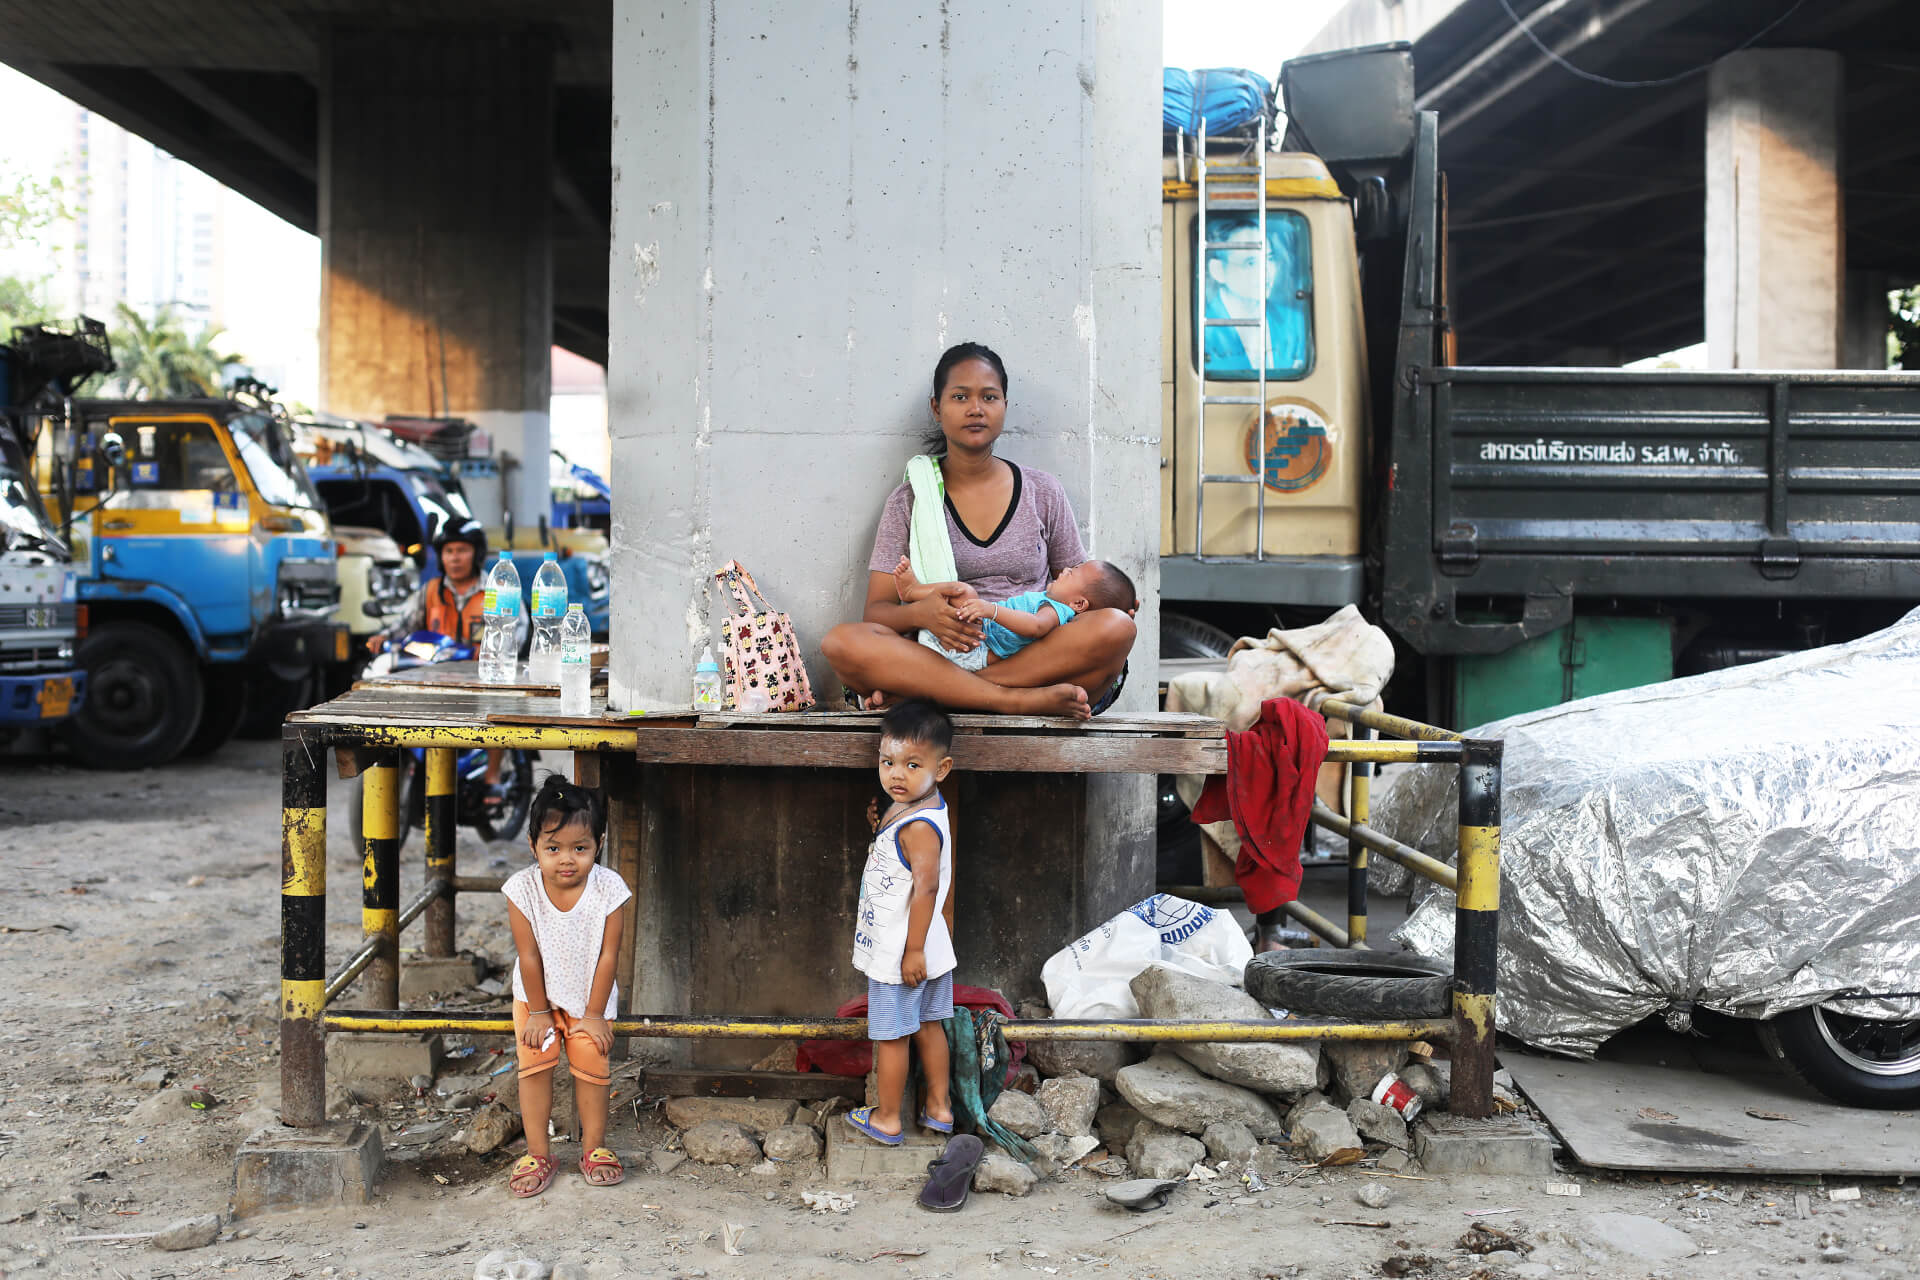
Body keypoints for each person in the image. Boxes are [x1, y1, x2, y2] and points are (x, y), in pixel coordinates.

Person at [821, 342, 1136, 718]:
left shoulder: (1042, 492)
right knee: (842, 642)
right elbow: (877, 612)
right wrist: (923, 615)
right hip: (940, 654)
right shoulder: (911, 499)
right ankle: (1010, 700)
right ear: (936, 408)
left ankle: (944, 695)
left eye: (989, 397)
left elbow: (1079, 594)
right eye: (960, 397)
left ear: (1004, 405)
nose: (975, 409)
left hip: (1029, 655)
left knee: (1116, 628)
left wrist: (1114, 606)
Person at [501, 775, 631, 1197]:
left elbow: (609, 956)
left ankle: (594, 1148)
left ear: (599, 844)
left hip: (589, 999)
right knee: (534, 1064)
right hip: (535, 998)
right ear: (533, 845)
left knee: (593, 1063)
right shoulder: (522, 889)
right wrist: (539, 1012)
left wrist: (594, 1015)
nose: (567, 860)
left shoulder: (609, 889)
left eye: (581, 848)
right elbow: (528, 955)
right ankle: (538, 1154)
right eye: (553, 849)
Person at [844, 700, 956, 1145]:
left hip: (904, 951)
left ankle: (888, 1118)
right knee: (929, 1026)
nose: (896, 774)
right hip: (929, 946)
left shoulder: (920, 828)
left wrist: (912, 951)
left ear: (942, 768)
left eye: (912, 765)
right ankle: (939, 1108)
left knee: (893, 1037)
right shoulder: (915, 806)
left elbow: (926, 889)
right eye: (887, 762)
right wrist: (881, 821)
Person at [892, 554, 1136, 670]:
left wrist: (992, 610)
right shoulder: (1051, 602)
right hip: (980, 639)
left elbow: (1035, 627)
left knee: (963, 591)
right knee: (959, 594)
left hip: (980, 646)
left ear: (1079, 604)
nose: (1064, 570)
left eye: (1072, 573)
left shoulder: (1056, 611)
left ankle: (913, 591)